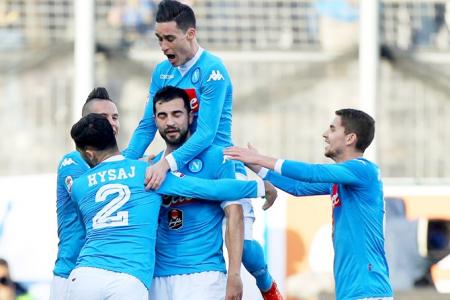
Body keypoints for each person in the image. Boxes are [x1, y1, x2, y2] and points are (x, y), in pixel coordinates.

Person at [124, 1, 282, 298]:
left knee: (246, 249)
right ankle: (260, 184)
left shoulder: (212, 70)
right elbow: (147, 125)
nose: (163, 46)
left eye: (169, 38)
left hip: (215, 162)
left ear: (191, 34)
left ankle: (268, 286)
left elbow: (207, 134)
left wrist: (166, 165)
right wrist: (121, 165)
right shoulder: (162, 72)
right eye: (159, 39)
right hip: (178, 164)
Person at [66, 113, 269, 300]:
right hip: (128, 278)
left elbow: (83, 231)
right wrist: (260, 187)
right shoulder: (148, 172)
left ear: (89, 154)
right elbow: (208, 188)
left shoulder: (79, 186)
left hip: (85, 275)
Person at [224, 109, 394, 300]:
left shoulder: (364, 170)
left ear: (350, 138)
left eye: (332, 129)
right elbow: (298, 187)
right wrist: (257, 167)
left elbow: (312, 173)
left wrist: (259, 158)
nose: (325, 134)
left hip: (368, 291)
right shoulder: (342, 179)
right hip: (353, 293)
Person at [148, 86, 276, 300]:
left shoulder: (217, 157)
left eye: (176, 114)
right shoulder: (150, 166)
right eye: (163, 115)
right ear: (155, 120)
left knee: (248, 247)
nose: (170, 122)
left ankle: (267, 283)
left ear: (190, 116)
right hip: (156, 278)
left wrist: (235, 274)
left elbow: (234, 214)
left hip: (203, 276)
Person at [50, 87, 120, 300]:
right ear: (86, 123)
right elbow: (92, 197)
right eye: (103, 117)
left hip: (109, 274)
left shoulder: (120, 164)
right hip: (71, 272)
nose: (112, 123)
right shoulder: (73, 161)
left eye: (115, 117)